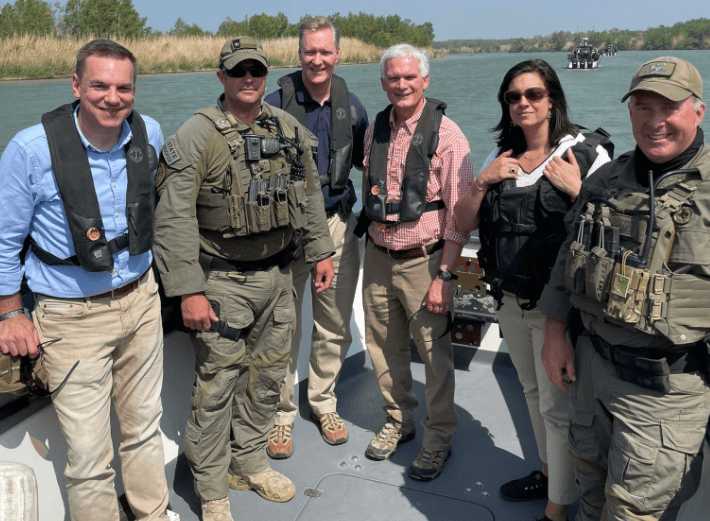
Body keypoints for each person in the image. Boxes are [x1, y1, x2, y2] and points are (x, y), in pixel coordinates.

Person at [152, 37, 335, 521]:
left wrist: (321, 251)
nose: (248, 79)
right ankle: (212, 489)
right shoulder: (197, 135)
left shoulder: (286, 129)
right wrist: (189, 291)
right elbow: (173, 219)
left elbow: (309, 193)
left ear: (266, 74)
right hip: (222, 282)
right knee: (216, 389)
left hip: (277, 276)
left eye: (256, 70)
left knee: (268, 378)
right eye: (238, 72)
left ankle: (249, 461)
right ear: (222, 78)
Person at [0, 39, 177, 521]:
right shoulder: (30, 150)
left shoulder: (149, 133)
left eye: (124, 88)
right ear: (76, 85)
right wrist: (11, 313)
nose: (112, 98)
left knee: (145, 428)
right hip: (70, 317)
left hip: (141, 301)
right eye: (99, 86)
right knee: (89, 457)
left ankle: (152, 513)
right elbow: (4, 240)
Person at [540, 56, 710, 521]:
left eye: (668, 107)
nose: (655, 121)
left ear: (698, 110)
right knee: (590, 490)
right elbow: (568, 256)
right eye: (642, 107)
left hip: (664, 388)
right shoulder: (606, 179)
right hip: (592, 369)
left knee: (631, 513)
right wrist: (555, 331)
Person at [454, 59, 612, 521]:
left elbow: (613, 232)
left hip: (556, 308)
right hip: (509, 300)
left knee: (557, 408)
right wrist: (482, 181)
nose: (523, 103)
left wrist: (578, 191)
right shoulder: (500, 157)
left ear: (553, 100)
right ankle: (548, 473)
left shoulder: (585, 155)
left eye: (533, 94)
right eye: (513, 96)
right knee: (530, 392)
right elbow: (462, 222)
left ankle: (558, 507)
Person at [358, 43, 473, 481]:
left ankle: (439, 436)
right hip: (377, 256)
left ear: (425, 80)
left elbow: (459, 217)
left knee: (433, 354)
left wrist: (445, 275)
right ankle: (398, 419)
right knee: (383, 347)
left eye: (409, 77)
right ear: (382, 82)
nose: (401, 84)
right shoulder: (376, 129)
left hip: (424, 261)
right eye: (393, 77)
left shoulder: (449, 136)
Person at [263, 16, 368, 458]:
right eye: (310, 51)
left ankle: (324, 403)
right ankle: (280, 414)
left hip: (336, 225)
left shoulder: (354, 108)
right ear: (299, 54)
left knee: (333, 324)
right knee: (281, 328)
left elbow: (368, 164)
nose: (318, 59)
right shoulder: (273, 105)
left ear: (338, 55)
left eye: (325, 51)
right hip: (287, 231)